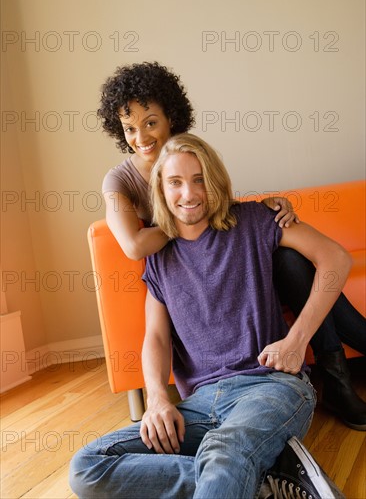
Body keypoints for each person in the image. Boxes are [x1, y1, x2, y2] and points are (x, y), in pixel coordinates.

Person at [70, 134, 350, 498]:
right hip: (199, 404)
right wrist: (156, 398)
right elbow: (155, 337)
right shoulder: (159, 258)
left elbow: (335, 258)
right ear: (161, 189)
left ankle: (236, 472)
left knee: (223, 454)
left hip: (269, 386)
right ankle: (261, 480)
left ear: (214, 181)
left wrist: (296, 341)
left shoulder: (254, 219)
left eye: (198, 179)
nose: (188, 194)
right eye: (175, 182)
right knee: (88, 465)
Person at [99, 61, 366, 430]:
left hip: (237, 269)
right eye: (130, 128)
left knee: (291, 260)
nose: (141, 136)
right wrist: (187, 216)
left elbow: (222, 213)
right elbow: (133, 246)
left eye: (150, 122)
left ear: (171, 118)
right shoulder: (119, 180)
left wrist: (257, 208)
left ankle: (336, 380)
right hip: (182, 271)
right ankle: (337, 381)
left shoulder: (196, 164)